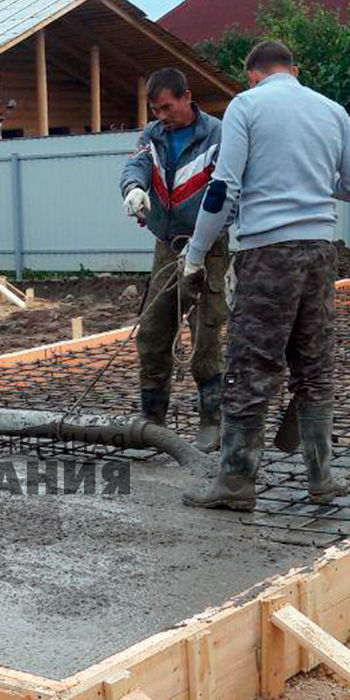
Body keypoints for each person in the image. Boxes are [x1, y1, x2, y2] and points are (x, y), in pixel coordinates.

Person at [180, 40, 350, 511]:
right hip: (320, 254)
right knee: (314, 367)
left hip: (267, 255)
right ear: (294, 69)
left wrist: (196, 254)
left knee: (250, 368)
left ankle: (235, 481)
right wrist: (314, 184)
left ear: (252, 74)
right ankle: (322, 477)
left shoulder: (246, 106)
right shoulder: (332, 111)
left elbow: (223, 189)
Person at [120, 67, 229, 452]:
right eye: (155, 110)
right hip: (167, 245)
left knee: (205, 334)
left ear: (187, 97)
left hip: (209, 247)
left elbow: (228, 190)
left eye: (167, 107)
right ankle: (153, 419)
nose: (161, 116)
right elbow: (135, 165)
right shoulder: (153, 136)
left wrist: (202, 242)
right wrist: (133, 189)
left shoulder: (217, 135)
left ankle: (213, 422)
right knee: (152, 331)